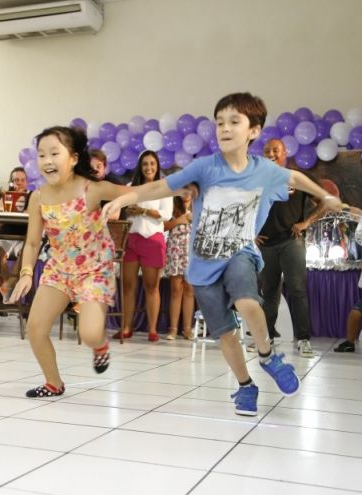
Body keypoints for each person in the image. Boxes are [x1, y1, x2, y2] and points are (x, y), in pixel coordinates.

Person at [102, 92, 343, 416]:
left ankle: (268, 354)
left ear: (253, 131)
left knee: (248, 301)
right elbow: (162, 187)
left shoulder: (264, 171)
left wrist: (325, 196)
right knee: (225, 334)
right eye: (219, 123)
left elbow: (296, 177)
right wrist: (122, 199)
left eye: (234, 122)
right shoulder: (204, 167)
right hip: (203, 263)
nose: (225, 128)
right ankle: (245, 386)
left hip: (239, 253)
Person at [8, 126, 127, 398]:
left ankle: (99, 346)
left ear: (73, 158)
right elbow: (33, 242)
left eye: (54, 153)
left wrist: (182, 187)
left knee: (90, 334)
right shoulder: (37, 197)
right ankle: (53, 383)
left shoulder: (92, 189)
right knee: (35, 328)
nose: (47, 161)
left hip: (95, 269)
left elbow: (138, 191)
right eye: (41, 155)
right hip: (60, 268)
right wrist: (26, 273)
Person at [256, 138, 327, 358]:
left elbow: (325, 201)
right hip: (266, 244)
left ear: (285, 153)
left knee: (297, 289)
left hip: (291, 241)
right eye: (267, 150)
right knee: (268, 293)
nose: (271, 154)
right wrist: (251, 232)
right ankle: (265, 340)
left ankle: (303, 339)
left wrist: (306, 223)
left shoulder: (296, 178)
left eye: (275, 150)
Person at [114, 151, 172, 342]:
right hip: (131, 239)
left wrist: (144, 210)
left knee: (151, 286)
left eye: (152, 164)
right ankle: (126, 327)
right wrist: (128, 210)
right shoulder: (131, 187)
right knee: (128, 285)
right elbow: (122, 210)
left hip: (153, 240)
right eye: (145, 164)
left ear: (157, 166)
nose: (149, 168)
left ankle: (153, 330)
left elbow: (167, 215)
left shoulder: (164, 187)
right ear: (140, 166)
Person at [0, 167, 27, 301]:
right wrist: (3, 205)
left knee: (28, 251)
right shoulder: (3, 196)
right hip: (4, 237)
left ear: (27, 182)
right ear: (11, 182)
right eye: (16, 180)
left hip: (23, 239)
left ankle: (8, 284)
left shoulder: (31, 197)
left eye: (22, 180)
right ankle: (8, 285)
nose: (19, 183)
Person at [163, 194, 195, 340]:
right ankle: (173, 329)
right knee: (176, 289)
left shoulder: (198, 204)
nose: (185, 193)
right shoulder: (171, 205)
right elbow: (162, 226)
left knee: (190, 290)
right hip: (176, 249)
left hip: (193, 251)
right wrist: (178, 221)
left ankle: (187, 328)